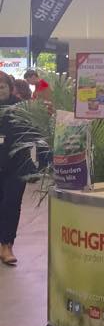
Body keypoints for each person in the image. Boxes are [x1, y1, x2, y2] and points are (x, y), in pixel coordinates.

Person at [0, 75, 47, 266]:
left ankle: (7, 245)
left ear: (10, 88)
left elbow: (34, 134)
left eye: (2, 87)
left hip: (16, 166)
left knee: (11, 204)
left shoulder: (21, 109)